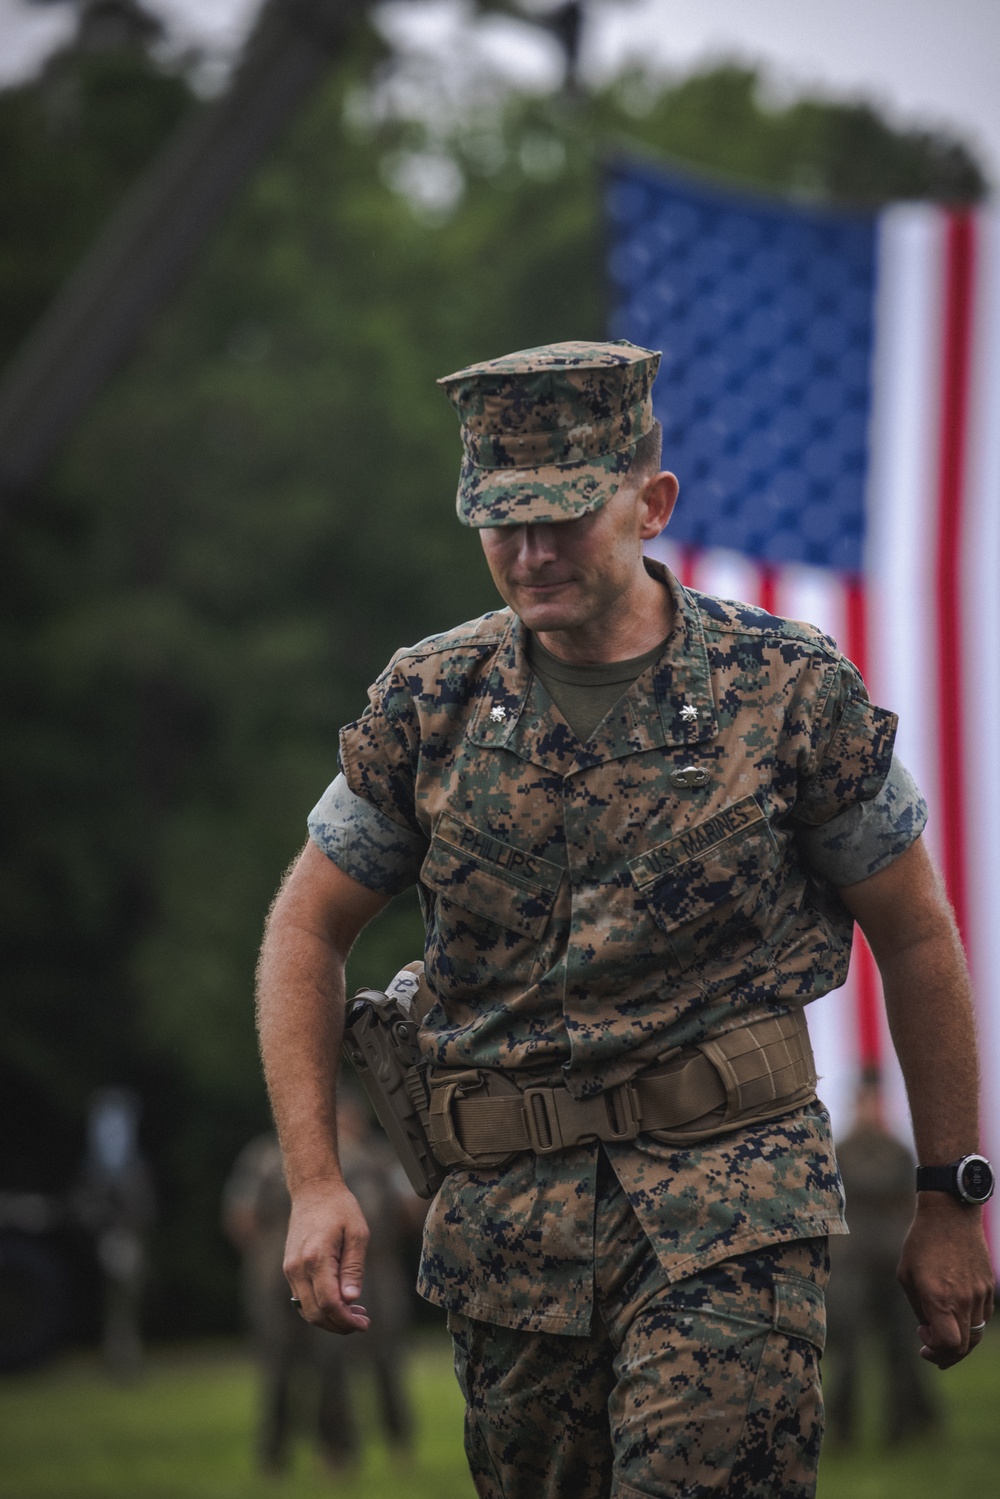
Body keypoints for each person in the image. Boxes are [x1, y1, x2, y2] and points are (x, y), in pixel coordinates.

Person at [256, 340, 994, 1499]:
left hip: (731, 1217)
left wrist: (951, 1192)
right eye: (502, 520)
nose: (531, 549)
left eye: (563, 515)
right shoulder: (430, 702)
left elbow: (913, 930)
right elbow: (306, 928)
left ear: (650, 503)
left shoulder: (786, 689)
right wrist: (313, 1179)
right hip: (509, 1243)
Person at [222, 1094, 416, 1474]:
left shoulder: (376, 1157)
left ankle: (351, 1450)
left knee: (356, 1361)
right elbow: (240, 1215)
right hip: (278, 1269)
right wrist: (267, 1255)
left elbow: (409, 1208)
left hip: (366, 1266)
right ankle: (275, 1455)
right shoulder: (265, 1154)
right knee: (278, 1364)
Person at [825, 1067, 941, 1445]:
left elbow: (913, 1203)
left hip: (895, 1262)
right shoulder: (838, 1151)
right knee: (846, 1355)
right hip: (852, 1265)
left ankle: (905, 1429)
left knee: (904, 1352)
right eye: (863, 1101)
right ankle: (842, 1431)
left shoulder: (899, 1152)